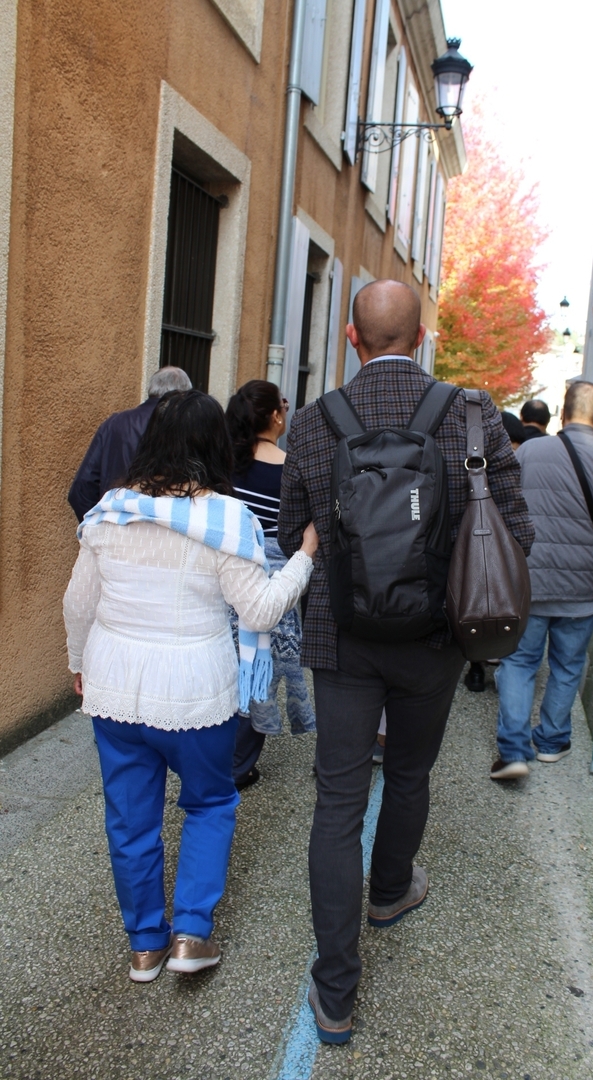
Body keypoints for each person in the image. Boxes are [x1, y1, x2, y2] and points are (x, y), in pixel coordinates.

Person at [277, 279, 533, 1043]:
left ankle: (336, 995)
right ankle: (390, 891)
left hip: (342, 640)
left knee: (336, 801)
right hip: (435, 639)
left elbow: (296, 532)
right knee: (412, 773)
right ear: (421, 337)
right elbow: (514, 526)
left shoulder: (316, 422)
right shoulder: (473, 412)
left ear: (351, 340)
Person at [63, 390, 318, 982]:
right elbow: (258, 612)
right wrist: (303, 558)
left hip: (115, 686)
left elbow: (79, 601)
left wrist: (79, 662)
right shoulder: (228, 520)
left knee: (130, 819)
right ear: (212, 447)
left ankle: (145, 945)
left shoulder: (109, 511)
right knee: (209, 803)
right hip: (197, 692)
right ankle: (190, 937)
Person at [491, 381, 593, 780]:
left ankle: (512, 749)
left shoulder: (529, 450)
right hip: (582, 588)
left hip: (529, 581)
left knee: (519, 662)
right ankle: (551, 741)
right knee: (567, 665)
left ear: (563, 414)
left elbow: (503, 504)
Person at [225, 380, 315, 792]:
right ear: (276, 416)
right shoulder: (291, 467)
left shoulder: (222, 465)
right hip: (272, 588)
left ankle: (214, 759)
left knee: (224, 673)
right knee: (259, 678)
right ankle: (239, 766)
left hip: (223, 584)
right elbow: (300, 536)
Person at [68, 366, 192, 521]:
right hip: (163, 534)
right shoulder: (187, 428)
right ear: (184, 396)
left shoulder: (113, 424)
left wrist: (97, 526)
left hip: (113, 530)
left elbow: (81, 489)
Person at [464, 409, 527, 695]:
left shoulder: (475, 462)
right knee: (493, 601)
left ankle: (476, 668)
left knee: (477, 601)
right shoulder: (509, 464)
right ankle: (482, 662)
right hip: (501, 541)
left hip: (475, 536)